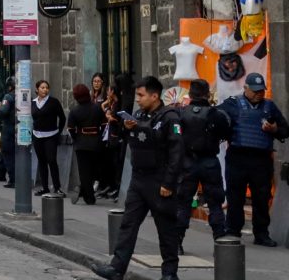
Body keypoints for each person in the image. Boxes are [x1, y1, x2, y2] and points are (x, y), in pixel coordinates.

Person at [90, 76, 183, 280]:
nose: (138, 100)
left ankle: (169, 274)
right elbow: (130, 140)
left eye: (141, 95)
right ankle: (117, 268)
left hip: (159, 180)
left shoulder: (170, 117)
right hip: (139, 179)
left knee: (166, 229)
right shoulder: (138, 114)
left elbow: (176, 153)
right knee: (128, 224)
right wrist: (127, 127)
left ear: (154, 95)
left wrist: (169, 183)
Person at [218, 73, 289, 247]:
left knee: (262, 198)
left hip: (261, 159)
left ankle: (261, 233)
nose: (259, 94)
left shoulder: (269, 106)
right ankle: (233, 231)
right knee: (235, 197)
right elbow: (216, 120)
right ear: (246, 89)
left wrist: (274, 129)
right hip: (237, 157)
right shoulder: (232, 104)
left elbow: (285, 130)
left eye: (261, 91)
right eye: (255, 91)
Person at [175, 78, 231, 248]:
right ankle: (220, 242)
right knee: (215, 204)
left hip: (188, 162)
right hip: (209, 162)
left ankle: (177, 242)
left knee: (183, 204)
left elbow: (175, 136)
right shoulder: (215, 114)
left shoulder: (181, 113)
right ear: (207, 94)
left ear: (190, 94)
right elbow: (227, 132)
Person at [66, 83, 105, 205]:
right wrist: (99, 135)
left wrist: (76, 138)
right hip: (96, 142)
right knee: (94, 169)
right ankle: (85, 190)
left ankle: (89, 196)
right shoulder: (97, 108)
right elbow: (104, 125)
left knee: (84, 171)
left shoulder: (74, 111)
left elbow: (71, 129)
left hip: (81, 143)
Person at [31, 79, 66, 195]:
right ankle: (45, 187)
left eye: (46, 88)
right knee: (42, 161)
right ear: (37, 89)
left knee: (51, 160)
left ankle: (57, 187)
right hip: (37, 135)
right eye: (42, 87)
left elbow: (62, 118)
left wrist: (58, 131)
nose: (45, 90)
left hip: (51, 135)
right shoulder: (33, 102)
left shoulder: (53, 102)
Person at [0, 77, 17, 188]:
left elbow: (3, 111)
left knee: (7, 152)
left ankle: (12, 179)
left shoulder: (8, 96)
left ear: (10, 86)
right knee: (5, 152)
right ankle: (1, 173)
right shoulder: (25, 95)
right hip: (19, 127)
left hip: (9, 127)